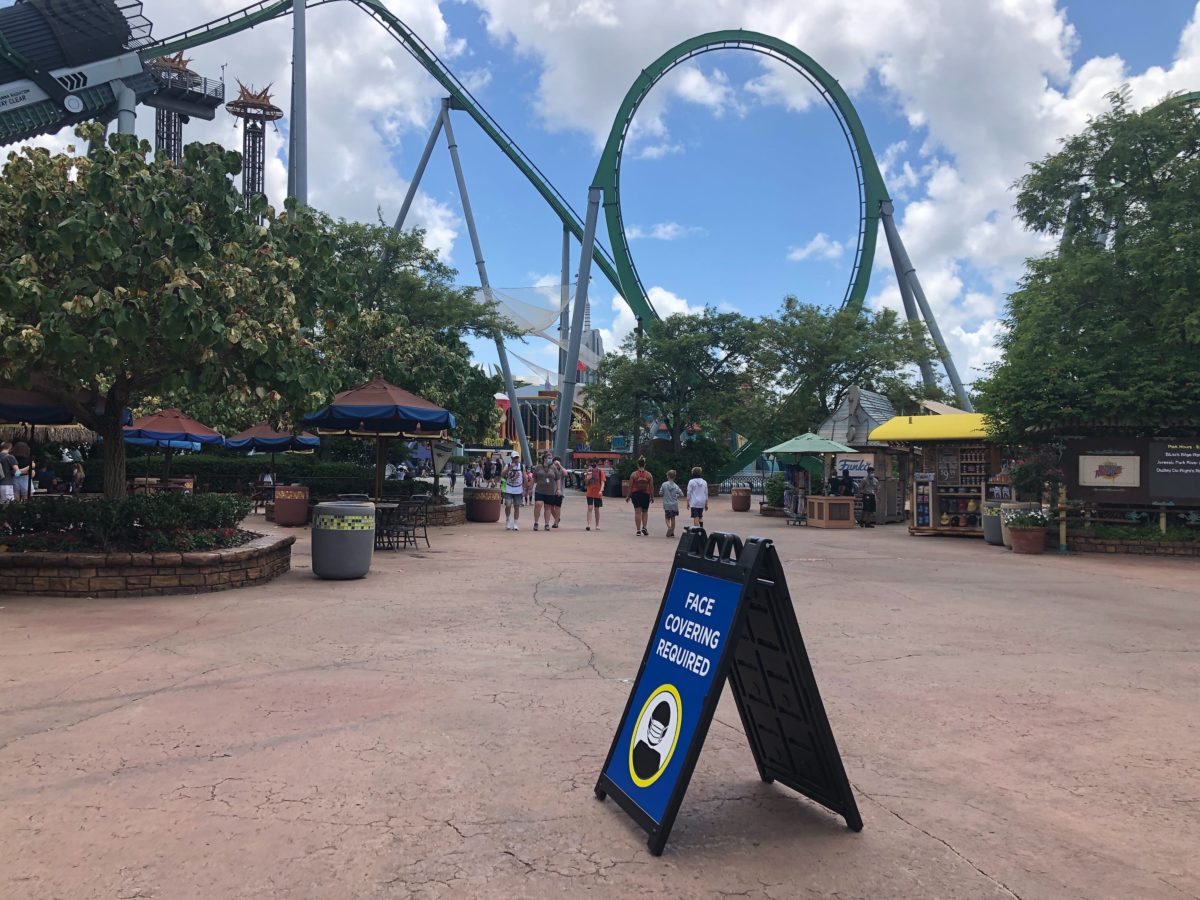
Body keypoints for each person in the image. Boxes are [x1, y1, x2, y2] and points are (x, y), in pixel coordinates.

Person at [626, 457, 654, 536]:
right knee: (645, 512)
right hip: (646, 494)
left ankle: (638, 530)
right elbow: (651, 487)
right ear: (645, 464)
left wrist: (628, 496)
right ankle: (644, 527)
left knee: (637, 512)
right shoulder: (649, 475)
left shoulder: (634, 474)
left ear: (637, 464)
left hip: (636, 494)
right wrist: (652, 496)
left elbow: (630, 486)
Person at [501, 452, 525, 531]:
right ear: (511, 458)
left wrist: (525, 489)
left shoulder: (521, 466)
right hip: (509, 488)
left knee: (517, 506)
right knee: (508, 505)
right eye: (515, 458)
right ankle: (508, 520)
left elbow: (524, 477)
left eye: (517, 458)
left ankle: (515, 523)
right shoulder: (507, 465)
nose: (516, 459)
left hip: (518, 489)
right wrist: (509, 468)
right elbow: (502, 474)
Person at [659, 469, 684, 538]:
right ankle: (672, 532)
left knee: (667, 518)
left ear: (668, 476)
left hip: (667, 504)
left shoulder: (664, 484)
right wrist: (676, 495)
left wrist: (664, 494)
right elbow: (681, 494)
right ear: (674, 477)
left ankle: (669, 527)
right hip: (674, 504)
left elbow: (660, 493)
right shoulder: (676, 486)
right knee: (673, 518)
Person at [584, 461, 605, 531]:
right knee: (590, 507)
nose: (594, 468)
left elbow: (602, 482)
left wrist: (601, 490)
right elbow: (586, 483)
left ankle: (597, 524)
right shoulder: (589, 472)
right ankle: (588, 524)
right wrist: (588, 478)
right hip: (590, 492)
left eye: (595, 467)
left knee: (596, 508)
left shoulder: (600, 472)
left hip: (597, 492)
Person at [550, 455, 566, 529]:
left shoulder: (561, 470)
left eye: (557, 464)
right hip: (551, 491)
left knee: (557, 507)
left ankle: (556, 522)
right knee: (550, 507)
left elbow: (565, 473)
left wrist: (559, 465)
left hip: (560, 492)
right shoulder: (551, 470)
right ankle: (557, 518)